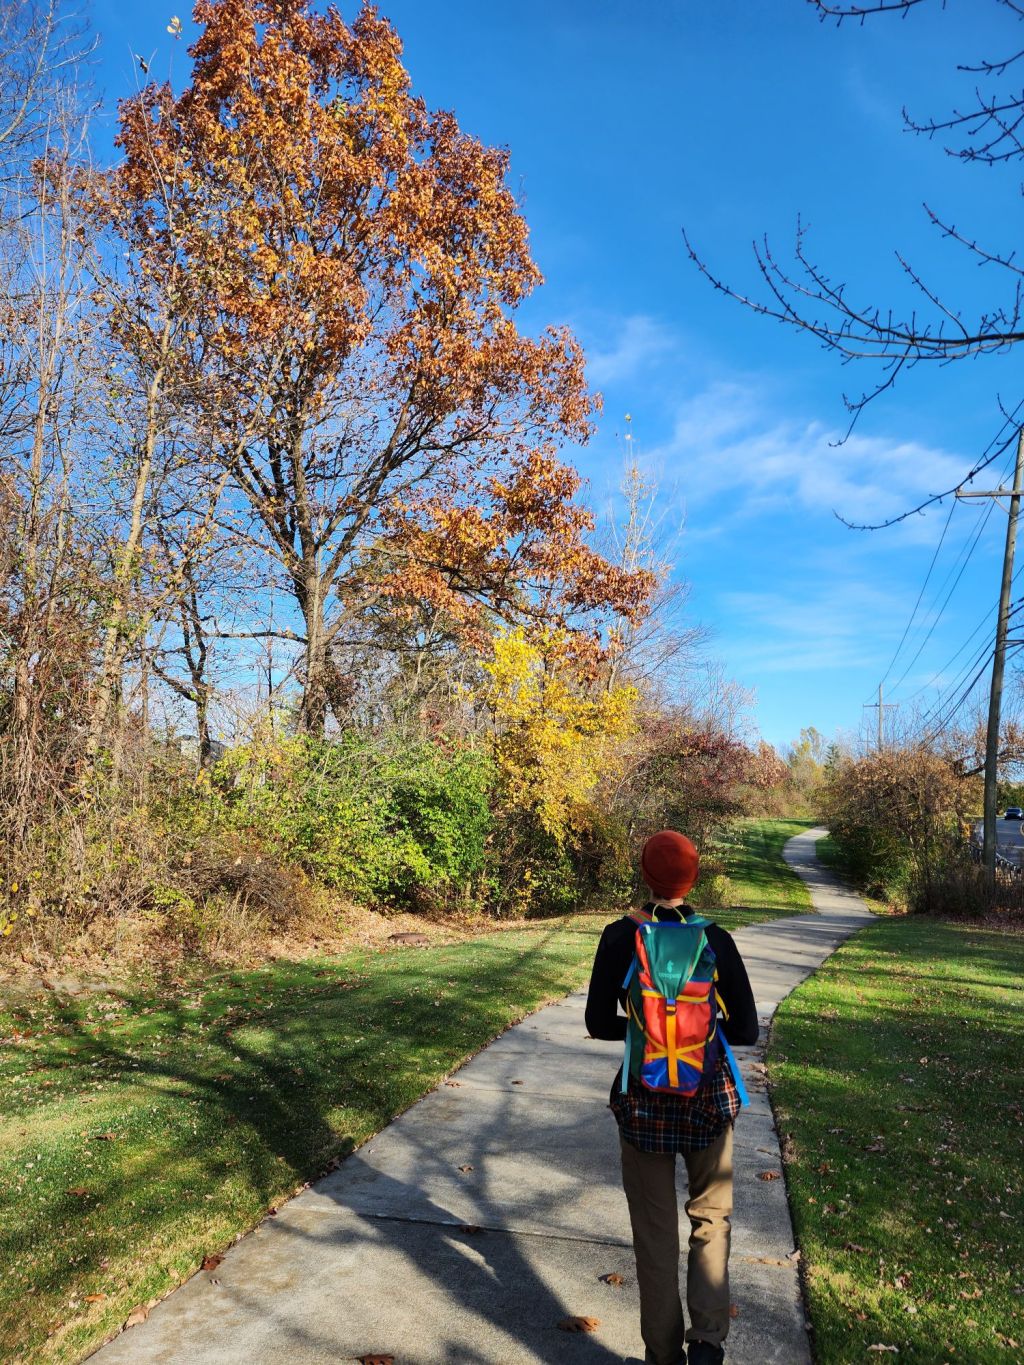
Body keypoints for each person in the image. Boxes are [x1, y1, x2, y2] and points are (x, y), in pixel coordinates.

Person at [585, 830, 758, 1365]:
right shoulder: (715, 940)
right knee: (711, 1222)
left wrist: (644, 1034)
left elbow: (597, 1022)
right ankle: (707, 1345)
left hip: (643, 1106)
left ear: (644, 874)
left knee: (654, 1237)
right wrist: (699, 1028)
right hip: (708, 1099)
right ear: (693, 877)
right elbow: (748, 1029)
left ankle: (663, 1357)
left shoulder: (619, 937)